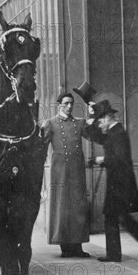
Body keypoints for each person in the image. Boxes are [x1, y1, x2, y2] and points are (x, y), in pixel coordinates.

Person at [85, 100, 138, 262]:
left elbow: (119, 159)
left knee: (113, 217)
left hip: (120, 183)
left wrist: (101, 160)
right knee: (120, 218)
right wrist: (92, 113)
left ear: (107, 118)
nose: (99, 125)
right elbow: (93, 135)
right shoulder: (114, 131)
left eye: (100, 121)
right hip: (119, 182)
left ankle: (116, 254)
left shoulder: (117, 133)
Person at [42, 93, 91, 258]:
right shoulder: (51, 124)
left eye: (72, 103)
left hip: (77, 171)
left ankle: (77, 246)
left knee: (77, 207)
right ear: (59, 105)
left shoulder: (79, 123)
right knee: (62, 207)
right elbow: (42, 148)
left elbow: (93, 135)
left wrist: (93, 114)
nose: (70, 106)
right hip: (60, 172)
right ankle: (65, 246)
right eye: (66, 103)